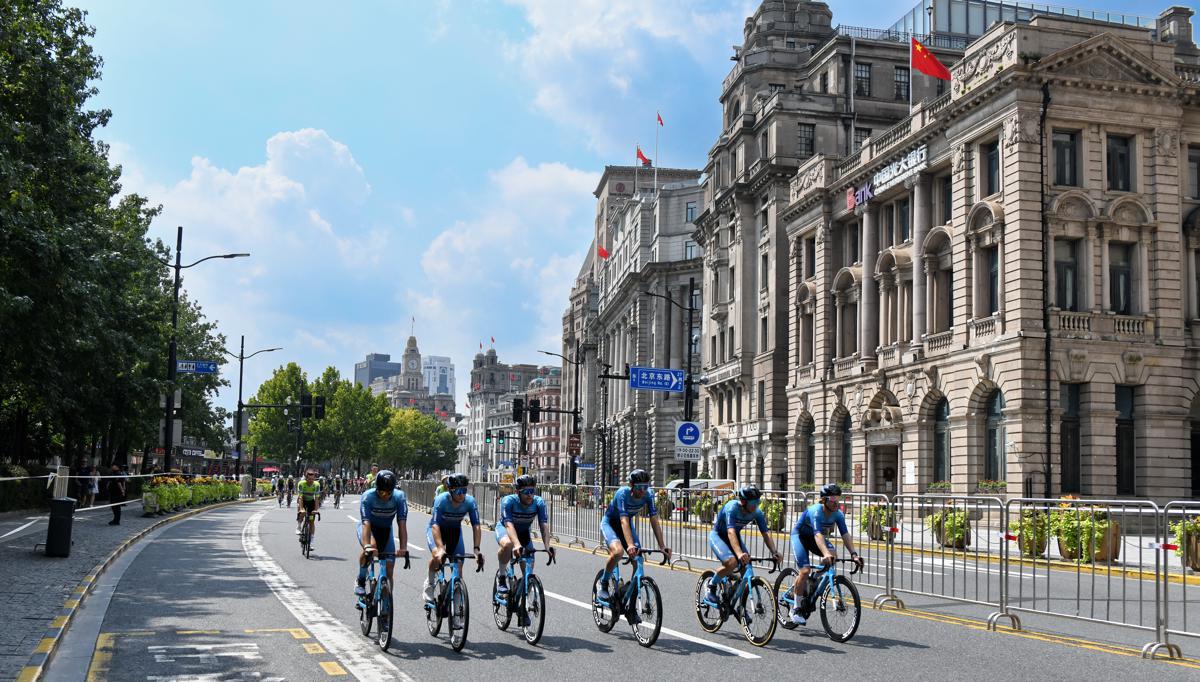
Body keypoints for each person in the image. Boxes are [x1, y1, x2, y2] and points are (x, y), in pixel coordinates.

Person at [597, 469, 673, 615]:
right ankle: (604, 583)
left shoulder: (648, 495)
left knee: (638, 560)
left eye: (645, 487)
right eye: (639, 487)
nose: (643, 491)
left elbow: (654, 520)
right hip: (611, 523)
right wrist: (630, 545)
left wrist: (662, 546)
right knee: (618, 552)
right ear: (631, 485)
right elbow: (623, 520)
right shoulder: (622, 494)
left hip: (626, 524)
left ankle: (629, 597)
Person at [787, 483, 864, 625]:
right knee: (804, 571)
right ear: (824, 500)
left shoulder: (838, 514)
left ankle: (815, 578)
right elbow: (817, 535)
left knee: (833, 554)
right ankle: (795, 608)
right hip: (800, 536)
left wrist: (854, 554)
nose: (836, 503)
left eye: (838, 499)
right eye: (832, 499)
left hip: (815, 538)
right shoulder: (816, 511)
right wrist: (825, 553)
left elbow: (845, 534)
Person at [704, 486, 783, 602]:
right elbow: (730, 532)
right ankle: (711, 585)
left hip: (735, 537)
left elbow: (766, 534)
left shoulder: (757, 513)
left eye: (758, 502)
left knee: (747, 569)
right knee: (732, 562)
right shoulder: (732, 508)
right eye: (753, 502)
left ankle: (741, 607)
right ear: (743, 501)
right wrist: (740, 553)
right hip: (719, 536)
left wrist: (774, 552)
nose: (756, 505)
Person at [494, 475, 555, 624]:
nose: (529, 495)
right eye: (526, 491)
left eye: (532, 491)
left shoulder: (538, 502)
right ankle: (502, 576)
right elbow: (508, 525)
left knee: (528, 571)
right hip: (506, 530)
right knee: (507, 545)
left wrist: (547, 547)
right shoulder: (508, 501)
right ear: (518, 492)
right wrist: (516, 544)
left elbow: (544, 526)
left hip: (524, 534)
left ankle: (522, 607)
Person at [424, 472, 483, 603]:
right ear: (450, 490)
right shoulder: (441, 500)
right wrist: (440, 548)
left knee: (458, 565)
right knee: (437, 556)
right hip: (436, 530)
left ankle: (456, 607)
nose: (462, 494)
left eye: (464, 490)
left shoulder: (469, 501)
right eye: (458, 491)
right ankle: (430, 583)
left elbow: (476, 526)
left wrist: (477, 549)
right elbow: (435, 525)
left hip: (454, 532)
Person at [355, 470, 409, 601]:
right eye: (381, 492)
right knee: (371, 548)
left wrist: (403, 548)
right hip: (369, 528)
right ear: (376, 488)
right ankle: (360, 579)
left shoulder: (399, 497)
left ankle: (386, 602)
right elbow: (366, 523)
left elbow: (402, 524)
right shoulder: (368, 497)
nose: (385, 496)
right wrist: (367, 545)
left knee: (389, 569)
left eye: (388, 492)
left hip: (386, 530)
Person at [295, 470, 322, 547]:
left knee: (311, 521)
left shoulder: (316, 485)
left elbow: (316, 499)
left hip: (311, 502)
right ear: (306, 478)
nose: (311, 481)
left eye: (312, 479)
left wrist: (315, 510)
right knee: (302, 512)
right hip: (302, 500)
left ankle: (311, 541)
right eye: (309, 479)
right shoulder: (301, 484)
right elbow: (300, 497)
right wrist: (301, 508)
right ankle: (299, 526)